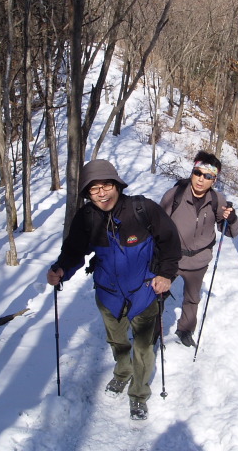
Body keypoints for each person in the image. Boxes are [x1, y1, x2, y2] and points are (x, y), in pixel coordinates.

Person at [46, 159, 180, 421]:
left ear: (117, 185)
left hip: (144, 290)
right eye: (94, 189)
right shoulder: (86, 218)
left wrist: (166, 275)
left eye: (106, 185)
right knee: (117, 341)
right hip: (108, 293)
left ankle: (139, 393)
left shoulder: (142, 209)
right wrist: (61, 269)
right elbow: (73, 251)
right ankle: (123, 371)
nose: (102, 193)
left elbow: (170, 241)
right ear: (87, 193)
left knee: (144, 347)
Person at [159, 151, 238, 347]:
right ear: (192, 172)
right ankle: (152, 331)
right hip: (172, 259)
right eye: (198, 173)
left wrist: (231, 219)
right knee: (157, 295)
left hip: (199, 261)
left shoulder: (217, 200)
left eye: (208, 176)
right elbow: (158, 224)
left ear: (214, 180)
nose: (201, 179)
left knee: (192, 298)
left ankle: (185, 330)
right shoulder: (174, 195)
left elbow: (231, 232)